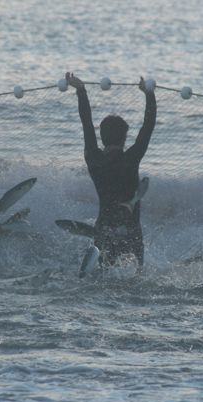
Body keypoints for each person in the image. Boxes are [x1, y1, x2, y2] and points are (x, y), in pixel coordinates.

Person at [66, 72, 156, 267]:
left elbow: (86, 123)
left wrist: (81, 91)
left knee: (104, 277)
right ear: (124, 138)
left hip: (103, 231)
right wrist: (149, 94)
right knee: (135, 279)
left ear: (101, 137)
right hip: (131, 232)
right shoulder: (130, 160)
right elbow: (148, 127)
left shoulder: (93, 159)